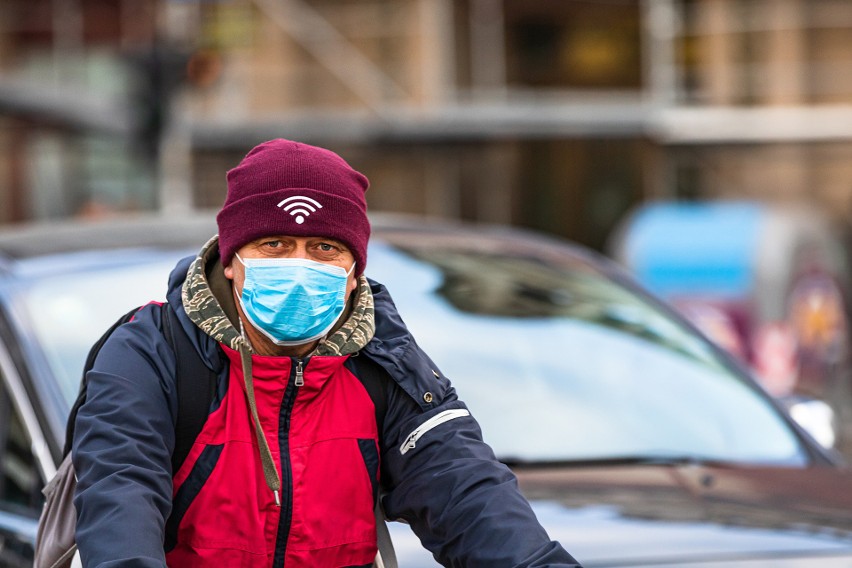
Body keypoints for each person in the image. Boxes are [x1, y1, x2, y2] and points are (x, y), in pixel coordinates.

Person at [72, 139, 582, 567]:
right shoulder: (152, 353)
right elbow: (120, 502)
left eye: (323, 248)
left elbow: (469, 494)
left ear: (355, 270)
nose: (299, 265)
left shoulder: (385, 361)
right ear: (230, 260)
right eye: (274, 244)